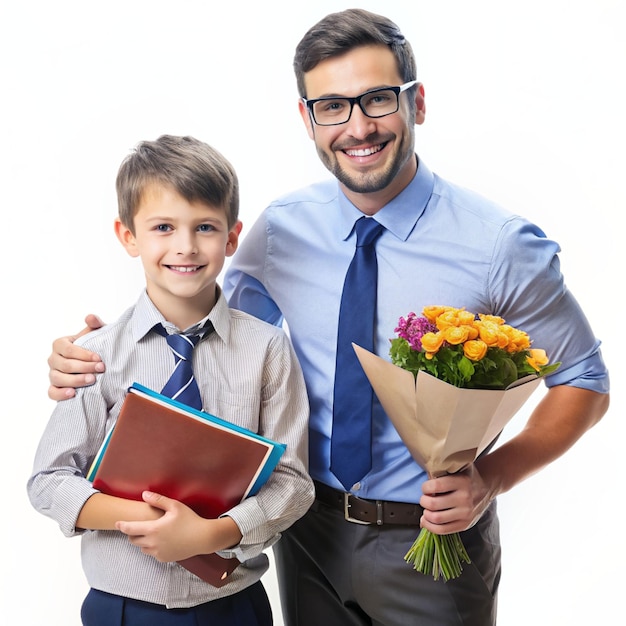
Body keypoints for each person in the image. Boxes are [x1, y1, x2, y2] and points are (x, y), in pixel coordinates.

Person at [45, 9, 610, 626]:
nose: (358, 126)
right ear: (308, 120)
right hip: (303, 533)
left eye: (377, 100)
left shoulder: (499, 244)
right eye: (333, 106)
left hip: (431, 543)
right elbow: (217, 347)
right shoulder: (279, 231)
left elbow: (584, 381)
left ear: (417, 103)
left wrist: (491, 478)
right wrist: (100, 351)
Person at [29, 134, 314, 625]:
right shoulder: (95, 355)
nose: (185, 246)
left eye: (204, 227)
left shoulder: (267, 350)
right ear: (128, 236)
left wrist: (212, 534)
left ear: (231, 237)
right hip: (120, 607)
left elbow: (292, 484)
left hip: (232, 606)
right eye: (163, 227)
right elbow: (48, 481)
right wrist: (144, 518)